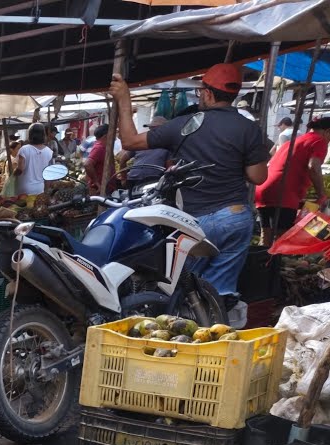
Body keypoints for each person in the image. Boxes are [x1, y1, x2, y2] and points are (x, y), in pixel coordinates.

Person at [112, 64, 267, 299]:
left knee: (187, 292)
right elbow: (258, 176)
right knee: (220, 294)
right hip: (235, 216)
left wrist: (124, 99)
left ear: (207, 92)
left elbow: (130, 141)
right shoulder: (249, 128)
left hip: (196, 222)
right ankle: (219, 324)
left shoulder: (185, 124)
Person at [256, 117, 330, 244]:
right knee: (282, 240)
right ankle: (274, 261)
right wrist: (322, 194)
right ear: (327, 131)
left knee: (266, 238)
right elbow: (313, 167)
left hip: (263, 190)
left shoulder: (297, 140)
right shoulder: (319, 141)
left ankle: (261, 261)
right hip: (282, 192)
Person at [124, 116, 172, 189]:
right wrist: (123, 178)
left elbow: (169, 168)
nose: (152, 130)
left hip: (151, 181)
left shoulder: (167, 144)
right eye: (151, 128)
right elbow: (123, 159)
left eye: (155, 128)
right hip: (136, 179)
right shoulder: (141, 142)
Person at [15, 122, 54, 196]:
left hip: (24, 188)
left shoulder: (24, 149)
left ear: (30, 134)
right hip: (40, 188)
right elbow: (48, 175)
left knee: (24, 206)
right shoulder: (49, 152)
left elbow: (20, 169)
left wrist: (12, 175)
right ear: (43, 135)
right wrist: (46, 191)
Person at [85, 124, 118, 195]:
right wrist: (96, 182)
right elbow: (87, 164)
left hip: (107, 186)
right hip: (100, 189)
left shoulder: (105, 147)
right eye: (114, 135)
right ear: (106, 136)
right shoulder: (99, 147)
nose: (115, 138)